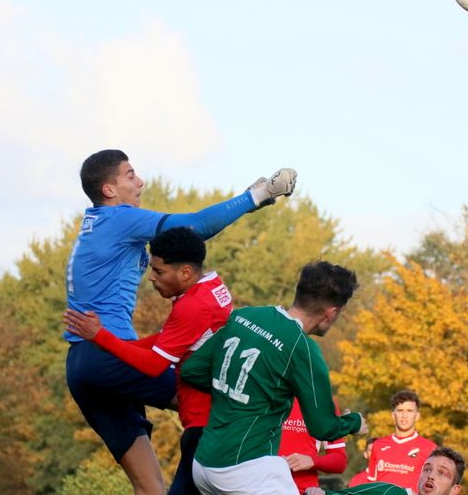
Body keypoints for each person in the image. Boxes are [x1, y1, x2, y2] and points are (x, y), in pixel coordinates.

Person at [64, 149, 296, 495]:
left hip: (84, 365)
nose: (140, 181)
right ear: (109, 190)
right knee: (228, 404)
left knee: (149, 488)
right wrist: (258, 195)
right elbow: (196, 227)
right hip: (109, 355)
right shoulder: (120, 219)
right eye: (130, 175)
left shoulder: (94, 225)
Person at [64, 226, 231, 495]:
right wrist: (110, 344)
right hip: (216, 421)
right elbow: (167, 339)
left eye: (159, 271)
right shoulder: (212, 287)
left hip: (206, 425)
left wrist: (101, 337)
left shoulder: (192, 307)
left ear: (185, 272)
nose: (151, 278)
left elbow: (154, 365)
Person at [180, 261, 368, 495]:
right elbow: (323, 428)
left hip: (203, 465)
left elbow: (191, 371)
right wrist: (355, 423)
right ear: (332, 312)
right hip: (245, 469)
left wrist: (238, 389)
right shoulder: (302, 347)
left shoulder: (244, 315)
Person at [304, 446, 465, 495]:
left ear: (454, 490)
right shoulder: (389, 491)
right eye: (427, 469)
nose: (430, 476)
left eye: (442, 473)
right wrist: (322, 494)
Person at [363, 390, 437, 493]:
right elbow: (370, 485)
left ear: (417, 416)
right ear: (393, 415)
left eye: (409, 411)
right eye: (400, 410)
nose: (404, 415)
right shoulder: (378, 445)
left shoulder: (430, 448)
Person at [280, 397, 349, 494]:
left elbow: (340, 461)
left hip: (305, 491)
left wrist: (312, 461)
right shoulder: (262, 393)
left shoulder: (324, 402)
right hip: (262, 489)